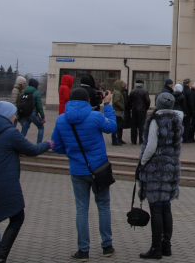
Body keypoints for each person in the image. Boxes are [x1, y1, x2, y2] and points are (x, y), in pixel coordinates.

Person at [0, 101, 53, 263]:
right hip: (7, 185)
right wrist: (48, 144)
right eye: (13, 114)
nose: (15, 117)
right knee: (17, 217)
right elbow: (31, 150)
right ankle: (1, 257)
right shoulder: (11, 133)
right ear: (6, 116)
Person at [51, 87, 117, 260]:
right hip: (99, 169)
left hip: (78, 170)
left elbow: (56, 146)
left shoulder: (61, 120)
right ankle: (107, 246)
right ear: (87, 100)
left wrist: (73, 153)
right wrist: (108, 106)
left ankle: (83, 250)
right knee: (103, 206)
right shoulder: (95, 117)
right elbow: (112, 127)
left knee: (81, 209)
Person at [137, 92, 183, 259]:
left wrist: (142, 163)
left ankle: (156, 248)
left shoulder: (156, 120)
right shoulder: (177, 119)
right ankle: (166, 246)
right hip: (170, 166)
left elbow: (151, 146)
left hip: (156, 167)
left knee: (156, 208)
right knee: (166, 208)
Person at [19, 78, 45, 144]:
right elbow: (39, 106)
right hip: (33, 114)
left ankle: (19, 145)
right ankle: (39, 144)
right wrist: (42, 116)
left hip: (25, 114)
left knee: (24, 131)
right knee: (40, 127)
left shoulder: (23, 93)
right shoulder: (36, 93)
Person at [128, 81, 151, 145]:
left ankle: (133, 140)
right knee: (142, 126)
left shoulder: (132, 91)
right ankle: (141, 140)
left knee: (134, 126)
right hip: (142, 111)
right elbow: (147, 101)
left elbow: (129, 101)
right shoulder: (145, 91)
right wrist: (146, 108)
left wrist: (131, 108)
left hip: (134, 110)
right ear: (142, 85)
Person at [111, 80, 126, 146]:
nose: (124, 86)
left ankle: (117, 139)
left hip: (117, 111)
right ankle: (115, 140)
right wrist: (122, 107)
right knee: (116, 126)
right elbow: (116, 101)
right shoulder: (118, 93)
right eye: (122, 85)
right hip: (117, 111)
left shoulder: (117, 92)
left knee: (117, 126)